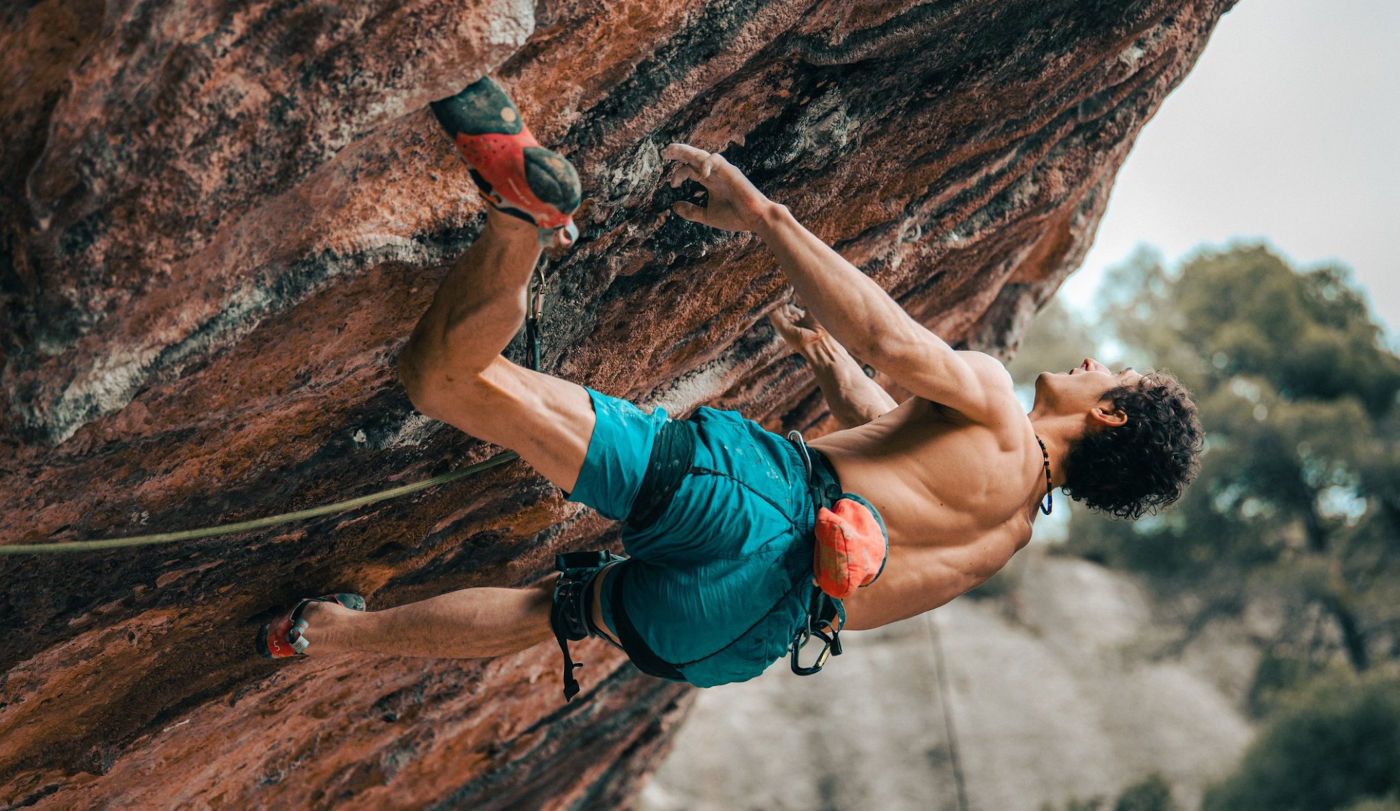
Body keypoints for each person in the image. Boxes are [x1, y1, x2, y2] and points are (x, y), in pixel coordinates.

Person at [257, 77, 1203, 699]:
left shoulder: (998, 399)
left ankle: (521, 216)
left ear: (1110, 411)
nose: (1092, 364)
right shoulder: (1003, 532)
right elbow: (889, 468)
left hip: (746, 503)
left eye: (1112, 374)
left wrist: (764, 215)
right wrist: (831, 375)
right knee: (553, 613)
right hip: (735, 631)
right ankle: (323, 636)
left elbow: (886, 338)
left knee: (449, 380)